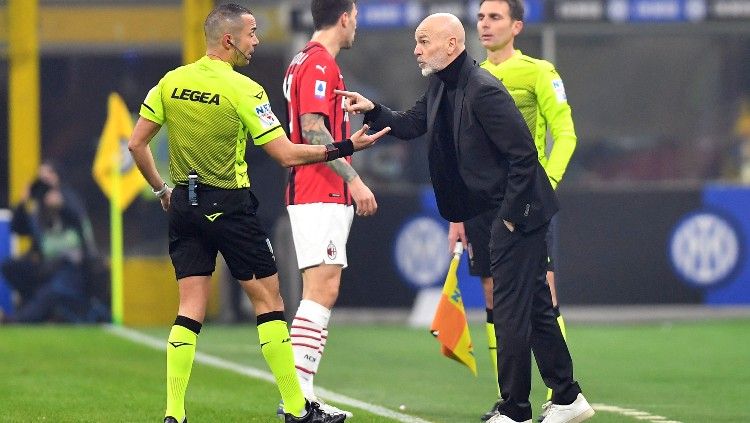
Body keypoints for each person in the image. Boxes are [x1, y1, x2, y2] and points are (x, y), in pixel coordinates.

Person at [127, 4, 387, 423]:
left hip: (185, 207)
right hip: (230, 207)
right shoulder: (243, 89)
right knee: (269, 302)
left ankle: (174, 413)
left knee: (189, 309)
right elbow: (285, 154)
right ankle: (299, 409)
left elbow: (137, 145)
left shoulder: (171, 82)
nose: (256, 41)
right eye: (251, 33)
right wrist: (345, 148)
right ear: (229, 39)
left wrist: (162, 190)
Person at [336, 13, 593, 423]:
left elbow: (525, 155)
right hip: (488, 210)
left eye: (424, 41)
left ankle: (515, 409)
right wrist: (374, 110)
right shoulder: (441, 83)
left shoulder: (485, 90)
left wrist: (509, 218)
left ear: (452, 45)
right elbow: (409, 124)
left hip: (518, 211)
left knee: (509, 309)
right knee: (537, 308)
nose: (416, 49)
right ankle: (567, 397)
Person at [448, 1, 579, 420]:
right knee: (495, 295)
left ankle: (549, 395)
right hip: (480, 206)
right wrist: (457, 213)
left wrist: (547, 184)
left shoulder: (538, 71)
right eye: (481, 17)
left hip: (523, 202)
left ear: (517, 26)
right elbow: (460, 153)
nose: (485, 25)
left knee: (540, 294)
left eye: (495, 17)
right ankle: (522, 396)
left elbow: (565, 133)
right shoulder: (471, 77)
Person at [280, 0, 371, 417]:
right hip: (321, 189)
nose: (357, 25)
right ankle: (299, 400)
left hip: (312, 191)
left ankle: (303, 396)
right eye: (356, 17)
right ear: (345, 17)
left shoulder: (303, 60)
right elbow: (313, 128)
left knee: (318, 291)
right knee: (322, 290)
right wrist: (354, 179)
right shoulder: (319, 64)